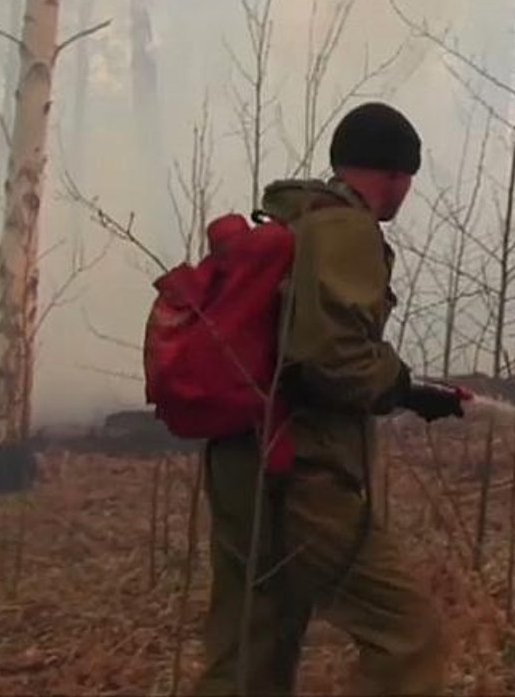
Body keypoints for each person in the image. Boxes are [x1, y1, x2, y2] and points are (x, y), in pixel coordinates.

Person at [193, 102, 464, 696]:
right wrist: (394, 381)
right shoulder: (345, 227)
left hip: (243, 460)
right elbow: (327, 355)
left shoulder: (292, 222)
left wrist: (407, 392)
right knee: (406, 634)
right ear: (395, 175)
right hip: (302, 472)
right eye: (406, 181)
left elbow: (301, 343)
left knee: (250, 645)